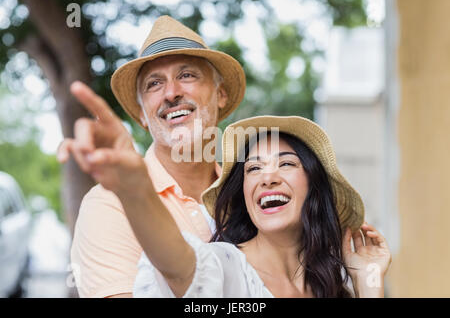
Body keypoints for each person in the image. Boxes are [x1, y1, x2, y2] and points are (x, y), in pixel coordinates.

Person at [63, 102, 391, 296]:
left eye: (286, 163)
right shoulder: (226, 267)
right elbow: (180, 268)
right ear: (245, 196)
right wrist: (135, 189)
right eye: (254, 169)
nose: (268, 176)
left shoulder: (331, 282)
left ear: (314, 188)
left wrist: (368, 281)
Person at [57, 15, 245, 297]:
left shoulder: (248, 195)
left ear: (220, 94)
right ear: (143, 115)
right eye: (154, 84)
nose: (171, 93)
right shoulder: (110, 204)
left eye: (186, 75)